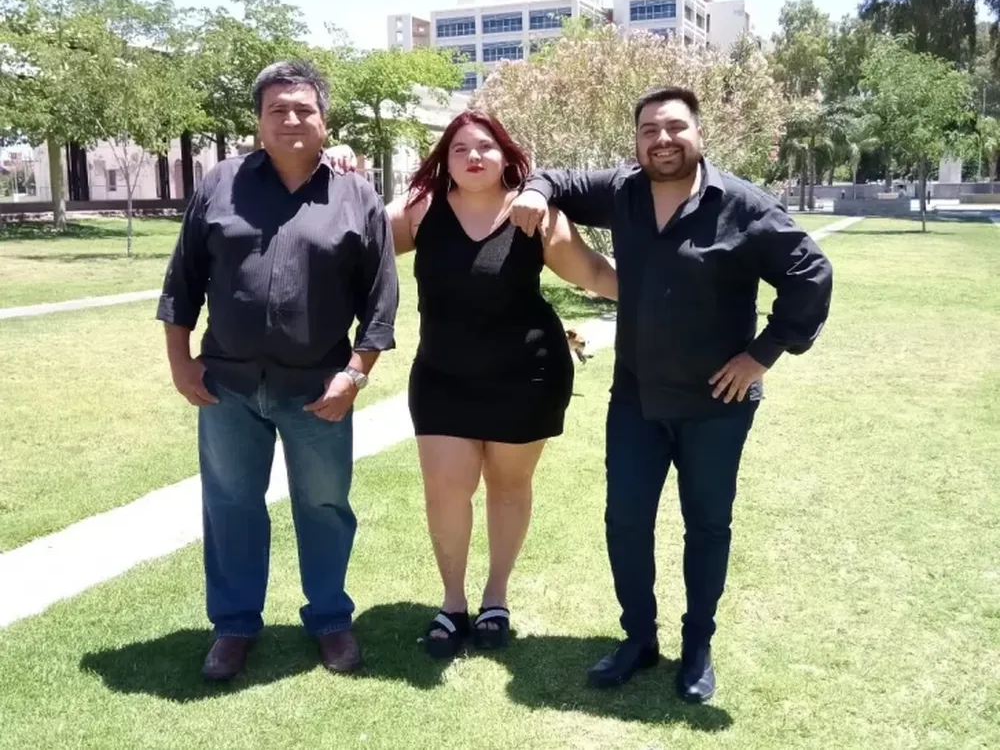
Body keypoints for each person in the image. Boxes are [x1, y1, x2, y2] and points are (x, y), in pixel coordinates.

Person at [501, 86, 833, 703]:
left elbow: (810, 273)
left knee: (707, 525)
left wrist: (761, 356)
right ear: (636, 140)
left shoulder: (742, 205)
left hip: (716, 405)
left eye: (676, 127)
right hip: (636, 400)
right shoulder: (623, 191)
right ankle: (639, 638)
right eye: (649, 129)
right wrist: (536, 191)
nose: (662, 139)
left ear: (698, 134)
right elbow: (558, 179)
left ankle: (698, 645)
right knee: (625, 521)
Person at [327, 110, 618, 658]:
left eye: (485, 146)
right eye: (459, 149)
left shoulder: (535, 212)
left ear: (506, 155)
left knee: (509, 486)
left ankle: (495, 598)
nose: (473, 157)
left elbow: (595, 273)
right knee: (445, 489)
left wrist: (663, 294)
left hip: (527, 376)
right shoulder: (421, 210)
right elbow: (349, 236)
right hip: (443, 378)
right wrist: (338, 175)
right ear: (446, 159)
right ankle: (453, 603)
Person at [156, 59, 398, 681]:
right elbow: (183, 280)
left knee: (324, 504)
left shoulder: (355, 195)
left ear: (324, 120)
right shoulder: (221, 184)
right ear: (259, 121)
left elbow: (380, 299)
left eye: (303, 109)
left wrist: (355, 375)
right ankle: (234, 625)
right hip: (227, 387)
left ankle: (330, 619)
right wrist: (180, 362)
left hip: (318, 389)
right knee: (231, 506)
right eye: (277, 109)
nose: (291, 119)